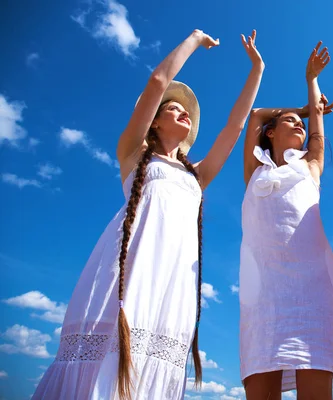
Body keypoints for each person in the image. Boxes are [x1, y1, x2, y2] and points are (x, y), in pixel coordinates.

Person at [32, 29, 264, 400]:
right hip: (128, 269)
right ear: (155, 121)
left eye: (185, 109)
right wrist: (193, 39)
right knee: (111, 354)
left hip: (173, 282)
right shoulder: (134, 154)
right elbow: (158, 82)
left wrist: (257, 69)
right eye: (174, 108)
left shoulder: (196, 176)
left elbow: (235, 128)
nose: (183, 111)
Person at [238, 42, 333, 400]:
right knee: (261, 382)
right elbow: (254, 115)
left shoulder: (310, 166)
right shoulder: (255, 170)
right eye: (289, 123)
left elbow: (317, 132)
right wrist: (300, 109)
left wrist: (311, 83)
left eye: (301, 123)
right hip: (262, 291)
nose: (299, 125)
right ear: (270, 132)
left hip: (310, 288)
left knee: (314, 380)